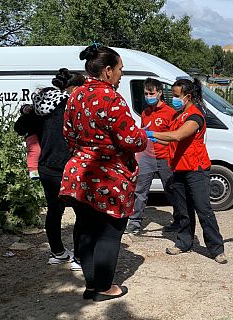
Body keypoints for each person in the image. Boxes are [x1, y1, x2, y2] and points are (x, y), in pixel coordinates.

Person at [59, 44, 148, 301]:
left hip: (80, 173)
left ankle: (91, 285)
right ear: (107, 71)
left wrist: (86, 151)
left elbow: (68, 136)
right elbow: (132, 140)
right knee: (110, 231)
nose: (121, 74)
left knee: (86, 229)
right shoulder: (111, 98)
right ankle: (104, 287)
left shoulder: (75, 96)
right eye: (120, 69)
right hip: (109, 176)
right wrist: (142, 136)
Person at [148, 78, 227, 264]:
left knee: (203, 209)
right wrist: (151, 139)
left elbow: (178, 135)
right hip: (179, 167)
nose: (173, 99)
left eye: (176, 96)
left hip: (195, 168)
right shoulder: (178, 115)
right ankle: (184, 242)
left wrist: (152, 133)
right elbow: (171, 140)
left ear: (188, 96)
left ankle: (216, 249)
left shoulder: (195, 116)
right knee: (183, 209)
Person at [32, 69, 85, 270]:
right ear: (74, 88)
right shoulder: (70, 106)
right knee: (82, 212)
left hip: (46, 166)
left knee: (54, 210)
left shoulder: (42, 106)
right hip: (67, 166)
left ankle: (57, 253)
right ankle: (79, 258)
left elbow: (21, 127)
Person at [126, 78, 179, 234]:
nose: (148, 96)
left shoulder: (171, 113)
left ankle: (179, 221)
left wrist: (162, 141)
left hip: (165, 158)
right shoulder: (145, 112)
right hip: (147, 158)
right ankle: (135, 223)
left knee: (171, 191)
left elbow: (175, 136)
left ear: (160, 93)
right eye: (146, 93)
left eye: (151, 93)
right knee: (140, 191)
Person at [13, 104, 42, 180]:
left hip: (42, 135)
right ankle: (33, 170)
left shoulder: (39, 112)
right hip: (31, 135)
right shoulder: (24, 118)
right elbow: (17, 127)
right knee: (35, 150)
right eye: (25, 108)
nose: (28, 109)